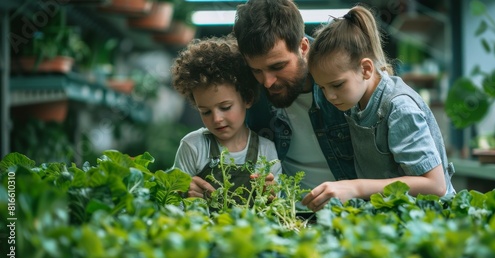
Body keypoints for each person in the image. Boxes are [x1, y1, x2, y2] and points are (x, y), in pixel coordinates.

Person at [302, 5, 456, 211]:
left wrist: (357, 187)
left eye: (337, 85)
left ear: (366, 69)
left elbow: (435, 185)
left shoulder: (399, 107)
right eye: (322, 87)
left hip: (431, 219)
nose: (329, 96)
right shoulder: (356, 104)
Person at [231, 0, 357, 194]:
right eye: (256, 70)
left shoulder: (348, 78)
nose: (267, 82)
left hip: (352, 212)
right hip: (287, 214)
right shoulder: (248, 87)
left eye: (277, 67)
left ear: (304, 47)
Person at [170, 35, 282, 201]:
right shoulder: (193, 146)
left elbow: (278, 208)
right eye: (205, 111)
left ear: (248, 99)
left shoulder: (266, 150)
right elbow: (172, 203)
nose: (216, 119)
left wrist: (272, 196)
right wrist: (183, 191)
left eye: (225, 107)